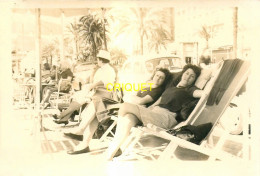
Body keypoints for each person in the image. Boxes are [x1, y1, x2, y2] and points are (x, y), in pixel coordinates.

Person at [105, 64, 203, 160]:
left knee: (125, 106)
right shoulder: (171, 88)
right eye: (187, 73)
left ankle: (111, 150)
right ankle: (114, 150)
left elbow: (203, 94)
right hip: (154, 113)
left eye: (192, 76)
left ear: (194, 80)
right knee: (128, 118)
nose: (188, 77)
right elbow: (156, 103)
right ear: (182, 74)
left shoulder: (190, 90)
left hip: (165, 117)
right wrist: (147, 110)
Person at [64, 68, 172, 155]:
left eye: (161, 78)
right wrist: (130, 97)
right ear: (153, 75)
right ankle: (83, 138)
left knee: (96, 104)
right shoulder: (147, 85)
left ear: (164, 81)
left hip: (130, 110)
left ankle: (82, 136)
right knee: (96, 103)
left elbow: (140, 101)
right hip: (125, 104)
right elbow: (130, 96)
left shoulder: (157, 91)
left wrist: (130, 98)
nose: (158, 79)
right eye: (157, 75)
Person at [53, 50, 116, 125]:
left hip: (103, 93)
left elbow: (105, 82)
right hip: (96, 91)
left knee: (80, 97)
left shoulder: (109, 70)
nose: (97, 61)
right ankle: (64, 117)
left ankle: (62, 116)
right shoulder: (101, 69)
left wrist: (92, 86)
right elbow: (95, 81)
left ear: (101, 60)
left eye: (98, 59)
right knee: (77, 96)